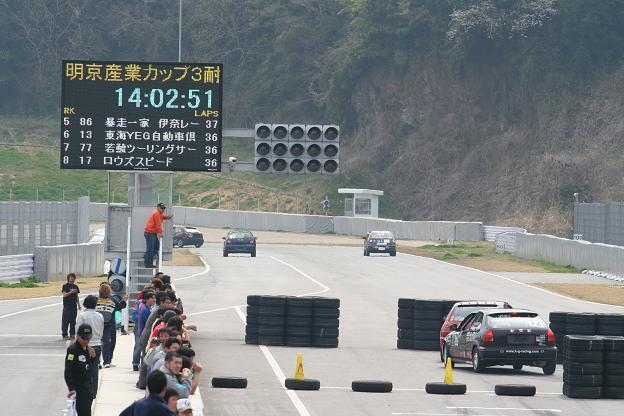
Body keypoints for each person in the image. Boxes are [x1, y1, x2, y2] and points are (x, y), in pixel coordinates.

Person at [64, 323, 96, 416]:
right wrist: (71, 388)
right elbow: (68, 371)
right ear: (78, 336)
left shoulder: (88, 350)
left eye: (88, 339)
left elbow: (89, 368)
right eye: (84, 338)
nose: (86, 341)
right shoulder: (73, 350)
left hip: (88, 390)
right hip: (79, 390)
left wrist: (93, 358)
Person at [76, 295, 104, 398]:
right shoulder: (100, 316)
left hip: (85, 345)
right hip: (97, 344)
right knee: (94, 370)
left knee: (82, 369)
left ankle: (84, 391)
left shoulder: (82, 316)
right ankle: (93, 392)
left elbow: (78, 330)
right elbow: (101, 330)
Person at [95, 282, 127, 368]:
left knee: (97, 342)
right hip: (110, 324)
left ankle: (97, 361)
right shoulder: (112, 299)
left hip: (97, 324)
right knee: (109, 343)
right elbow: (119, 307)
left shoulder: (95, 299)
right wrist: (124, 301)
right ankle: (107, 361)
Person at [144, 202, 173, 268]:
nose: (163, 210)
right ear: (158, 208)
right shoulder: (156, 213)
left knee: (156, 247)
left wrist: (166, 217)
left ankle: (146, 257)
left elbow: (162, 217)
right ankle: (148, 264)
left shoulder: (159, 213)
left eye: (163, 208)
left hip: (152, 233)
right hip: (150, 233)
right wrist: (160, 233)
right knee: (150, 249)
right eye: (161, 208)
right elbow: (158, 224)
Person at [61, 273, 81, 340]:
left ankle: (72, 334)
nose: (72, 278)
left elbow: (77, 296)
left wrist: (79, 305)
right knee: (65, 320)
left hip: (74, 306)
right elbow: (64, 295)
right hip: (67, 306)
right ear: (68, 278)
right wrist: (71, 292)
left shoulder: (76, 286)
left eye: (73, 277)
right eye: (70, 277)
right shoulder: (65, 286)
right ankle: (65, 334)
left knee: (73, 321)